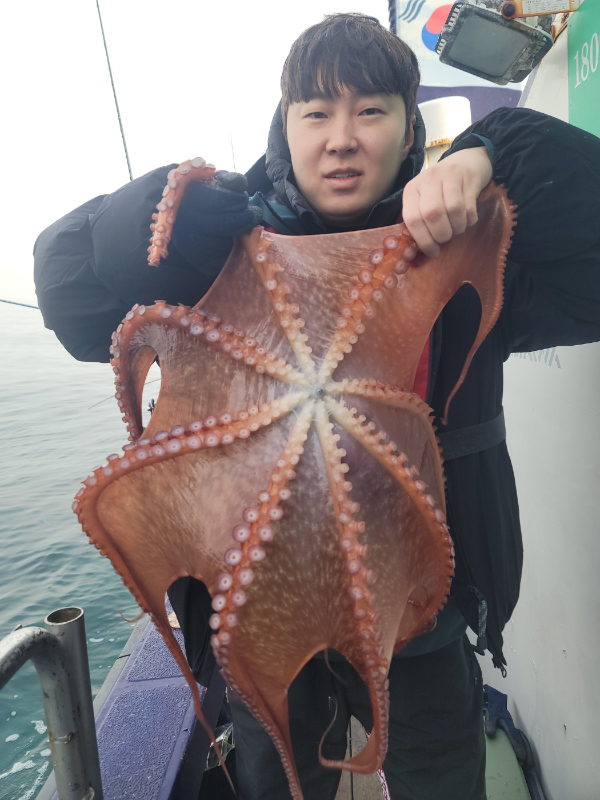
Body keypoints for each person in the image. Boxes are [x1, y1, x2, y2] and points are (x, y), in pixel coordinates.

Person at [33, 13, 600, 800]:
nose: (342, 139)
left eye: (370, 111)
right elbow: (66, 294)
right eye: (317, 113)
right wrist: (146, 224)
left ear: (410, 130)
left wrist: (497, 148)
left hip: (417, 613)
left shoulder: (463, 265)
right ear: (287, 125)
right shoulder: (219, 255)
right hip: (264, 616)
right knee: (278, 784)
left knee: (442, 778)